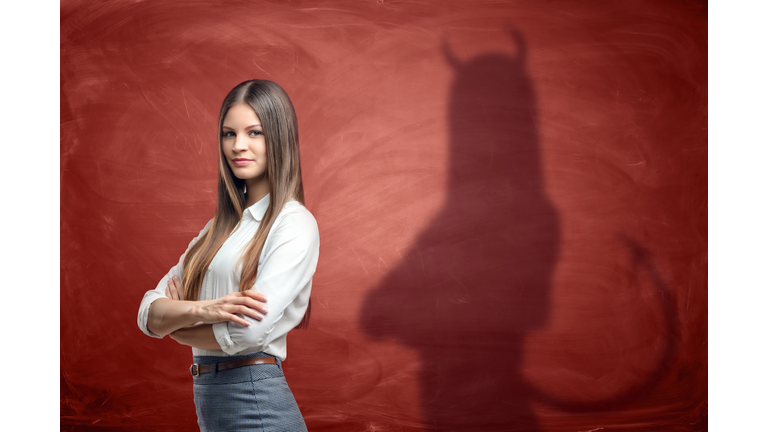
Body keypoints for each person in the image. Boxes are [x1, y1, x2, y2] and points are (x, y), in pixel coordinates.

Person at [136, 79, 319, 431]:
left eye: (254, 133)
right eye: (228, 134)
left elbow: (248, 335)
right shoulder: (215, 230)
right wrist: (200, 310)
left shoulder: (293, 223)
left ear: (278, 138)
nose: (238, 146)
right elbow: (148, 312)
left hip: (255, 404)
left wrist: (176, 328)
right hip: (211, 402)